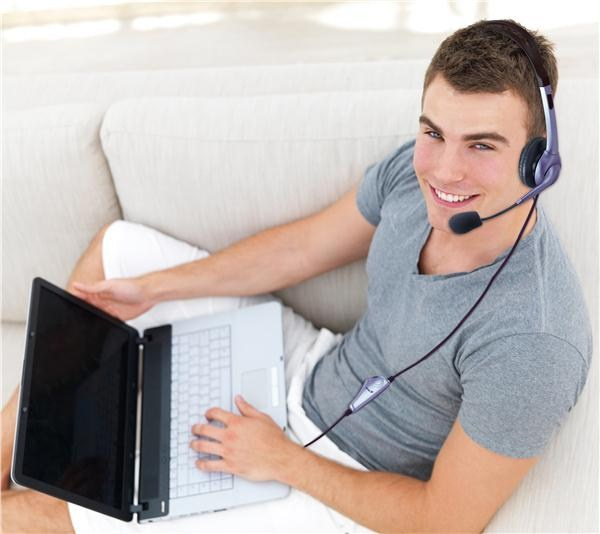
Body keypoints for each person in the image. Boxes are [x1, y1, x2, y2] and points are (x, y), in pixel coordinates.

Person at [2, 18, 592, 533]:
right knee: (118, 254)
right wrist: (152, 289)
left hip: (342, 489)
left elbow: (443, 521)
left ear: (538, 162)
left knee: (34, 518)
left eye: (481, 146)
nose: (444, 170)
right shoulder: (417, 178)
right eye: (433, 132)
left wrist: (282, 459)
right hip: (310, 368)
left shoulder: (534, 342)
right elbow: (300, 249)